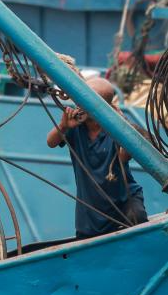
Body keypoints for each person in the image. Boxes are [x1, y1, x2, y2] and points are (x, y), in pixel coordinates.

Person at [45, 76, 148, 239]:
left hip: (124, 203)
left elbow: (124, 156)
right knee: (88, 240)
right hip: (91, 210)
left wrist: (122, 126)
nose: (79, 104)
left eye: (84, 100)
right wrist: (64, 126)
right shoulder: (75, 128)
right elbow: (51, 142)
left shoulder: (115, 130)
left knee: (138, 221)